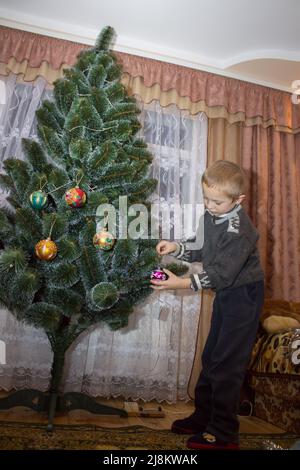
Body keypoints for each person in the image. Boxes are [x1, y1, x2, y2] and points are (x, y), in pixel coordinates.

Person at [151, 160, 264, 450]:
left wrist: (179, 283)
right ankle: (203, 417)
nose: (209, 205)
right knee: (212, 356)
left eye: (217, 201)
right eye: (205, 198)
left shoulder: (242, 231)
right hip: (227, 294)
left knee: (228, 363)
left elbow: (222, 274)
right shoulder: (212, 216)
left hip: (244, 296)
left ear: (238, 200)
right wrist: (177, 247)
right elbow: (201, 247)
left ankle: (224, 433)